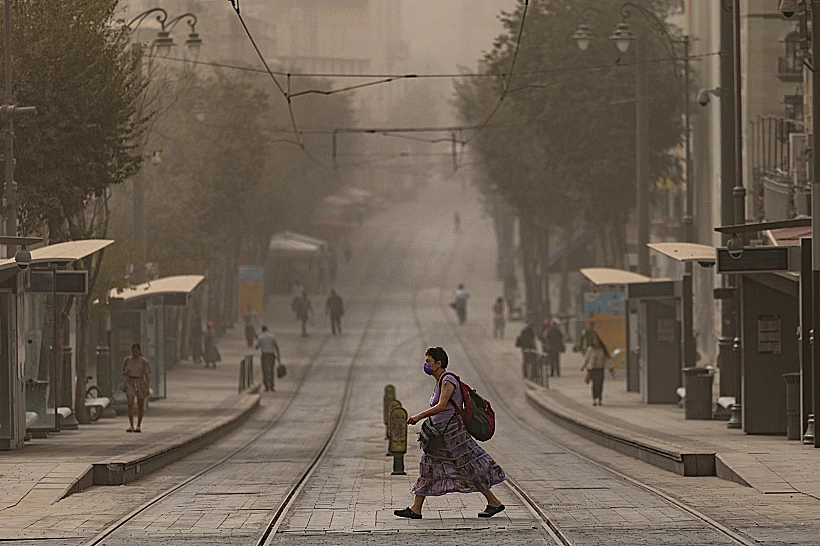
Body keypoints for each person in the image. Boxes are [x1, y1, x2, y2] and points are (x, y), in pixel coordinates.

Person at [394, 347, 506, 520]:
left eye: (428, 362)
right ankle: (416, 508)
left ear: (438, 364)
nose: (426, 365)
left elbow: (441, 406)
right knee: (429, 466)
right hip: (441, 435)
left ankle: (494, 501)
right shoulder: (440, 381)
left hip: (453, 434)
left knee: (468, 465)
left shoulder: (448, 380)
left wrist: (418, 416)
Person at [122, 343, 150, 433]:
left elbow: (147, 375)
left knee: (140, 405)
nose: (135, 353)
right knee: (130, 403)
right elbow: (123, 372)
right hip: (130, 381)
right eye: (134, 351)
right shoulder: (127, 360)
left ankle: (138, 425)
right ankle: (131, 425)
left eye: (137, 352)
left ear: (139, 351)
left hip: (140, 382)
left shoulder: (143, 361)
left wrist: (147, 387)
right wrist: (126, 372)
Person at [580, 334, 610, 406]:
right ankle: (594, 399)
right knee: (594, 385)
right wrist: (583, 366)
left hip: (599, 369)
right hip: (592, 369)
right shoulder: (590, 349)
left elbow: (607, 359)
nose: (596, 341)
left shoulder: (602, 349)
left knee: (599, 384)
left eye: (597, 340)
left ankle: (599, 399)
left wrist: (610, 367)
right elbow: (586, 358)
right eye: (594, 340)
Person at [256, 325, 281, 392]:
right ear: (267, 329)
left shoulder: (261, 337)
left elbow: (257, 347)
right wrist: (278, 356)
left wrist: (257, 341)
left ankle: (266, 386)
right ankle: (272, 386)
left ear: (262, 330)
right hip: (271, 355)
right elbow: (276, 346)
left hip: (264, 355)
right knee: (271, 370)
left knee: (264, 370)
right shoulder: (272, 336)